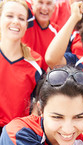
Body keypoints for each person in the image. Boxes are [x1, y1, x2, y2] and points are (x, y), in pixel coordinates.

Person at [0, 0, 43, 136]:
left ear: (26, 25)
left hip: (17, 135)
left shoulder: (35, 62)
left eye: (21, 18)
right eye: (9, 16)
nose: (16, 22)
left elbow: (36, 107)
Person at [22, 0, 59, 71]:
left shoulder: (57, 32)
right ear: (32, 4)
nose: (44, 8)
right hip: (23, 73)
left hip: (43, 78)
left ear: (54, 7)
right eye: (40, 2)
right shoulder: (25, 20)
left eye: (49, 3)